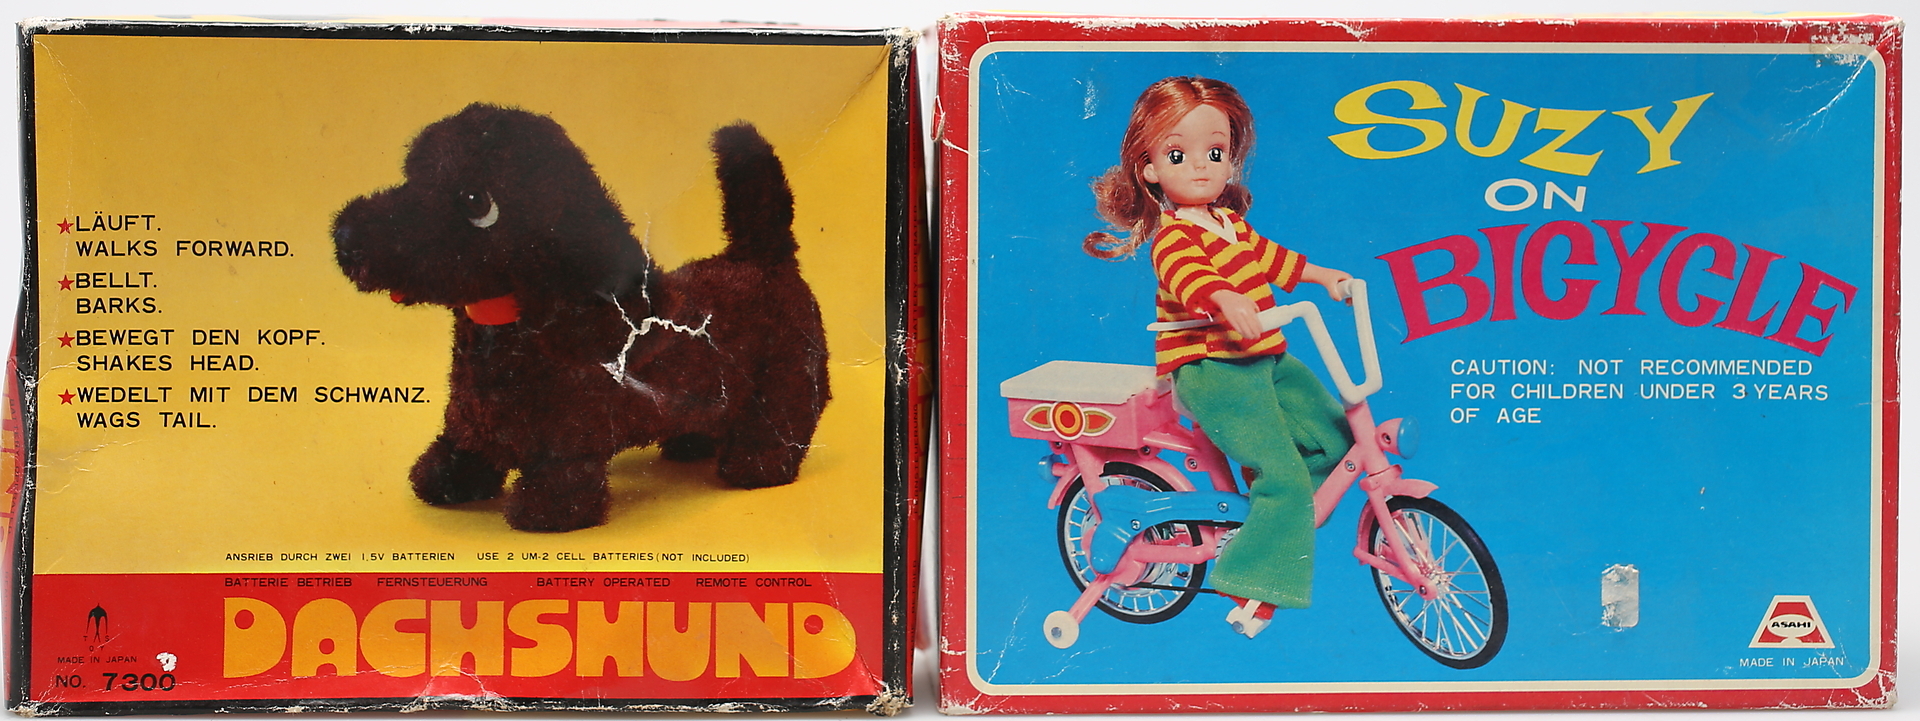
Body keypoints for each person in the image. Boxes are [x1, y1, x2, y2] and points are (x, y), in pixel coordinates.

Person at [1084, 76, 1353, 638]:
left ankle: (1271, 519)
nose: (1202, 167)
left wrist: (1323, 275)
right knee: (1284, 475)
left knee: (1337, 438)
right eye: (1177, 154)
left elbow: (1274, 258)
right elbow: (1188, 276)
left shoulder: (1229, 223)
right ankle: (1250, 581)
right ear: (1149, 169)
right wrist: (1223, 297)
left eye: (1216, 152)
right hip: (1213, 370)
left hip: (1264, 358)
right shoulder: (1173, 236)